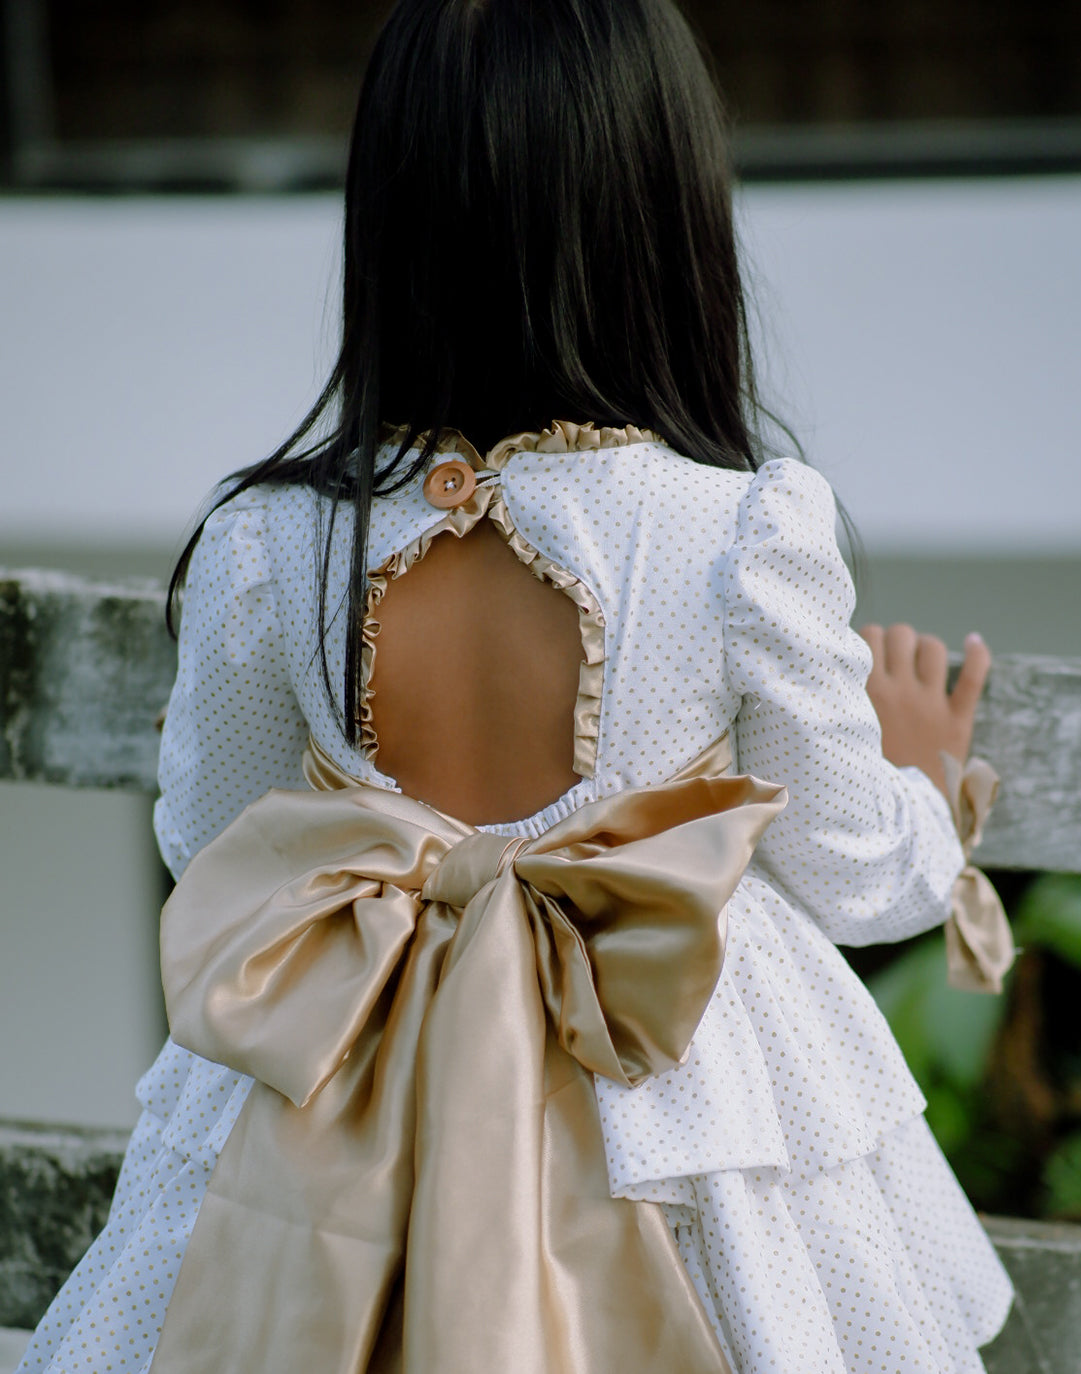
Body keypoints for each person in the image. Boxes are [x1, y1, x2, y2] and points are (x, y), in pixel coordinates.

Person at [18, 1, 1014, 1371]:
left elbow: (213, 841)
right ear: (665, 220)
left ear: (391, 222)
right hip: (669, 1116)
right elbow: (858, 875)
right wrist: (924, 790)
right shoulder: (743, 534)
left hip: (349, 1111)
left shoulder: (271, 542)